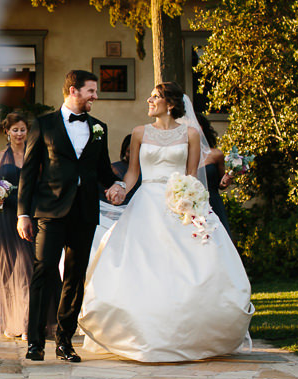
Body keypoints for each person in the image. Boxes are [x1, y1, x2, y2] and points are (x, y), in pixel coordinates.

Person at [79, 82, 254, 362]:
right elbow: (133, 173)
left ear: (170, 104)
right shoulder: (139, 133)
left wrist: (194, 205)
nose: (149, 100)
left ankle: (188, 332)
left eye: (155, 97)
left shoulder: (191, 134)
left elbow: (191, 175)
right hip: (146, 203)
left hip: (179, 203)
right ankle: (141, 334)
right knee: (143, 268)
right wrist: (121, 188)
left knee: (184, 268)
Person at [16, 70, 123, 362]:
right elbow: (28, 171)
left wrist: (118, 185)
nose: (95, 97)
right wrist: (23, 214)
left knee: (75, 277)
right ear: (73, 90)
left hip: (85, 212)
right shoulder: (43, 124)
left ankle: (65, 341)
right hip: (50, 211)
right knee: (44, 271)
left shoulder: (99, 128)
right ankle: (35, 342)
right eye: (91, 91)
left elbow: (103, 170)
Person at [0, 112, 54, 339]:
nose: (19, 133)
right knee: (8, 271)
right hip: (5, 217)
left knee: (29, 269)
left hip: (30, 214)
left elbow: (46, 182)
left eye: (22, 129)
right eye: (14, 130)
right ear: (6, 131)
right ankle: (15, 323)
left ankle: (31, 323)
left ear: (28, 131)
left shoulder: (36, 153)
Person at [197, 112, 233, 238]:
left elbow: (221, 185)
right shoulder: (181, 156)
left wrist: (225, 182)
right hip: (192, 205)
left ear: (202, 128)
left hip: (213, 203)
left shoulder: (216, 155)